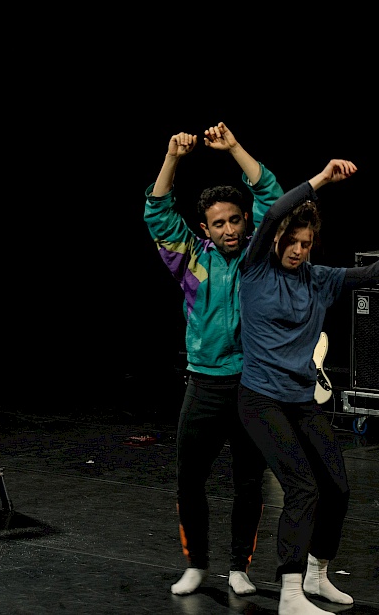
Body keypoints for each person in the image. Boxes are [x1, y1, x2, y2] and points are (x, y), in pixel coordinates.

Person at [237, 157, 379, 614]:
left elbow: (371, 276)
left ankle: (316, 574)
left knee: (337, 486)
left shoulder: (319, 280)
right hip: (259, 400)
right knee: (301, 487)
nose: (297, 250)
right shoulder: (255, 271)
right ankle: (290, 595)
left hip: (301, 400)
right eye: (291, 242)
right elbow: (272, 213)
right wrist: (320, 182)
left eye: (306, 244)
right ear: (276, 241)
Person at [145, 122, 281, 598]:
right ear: (205, 228)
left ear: (247, 222)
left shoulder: (260, 257)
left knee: (248, 483)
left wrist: (235, 147)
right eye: (218, 223)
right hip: (204, 384)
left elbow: (270, 192)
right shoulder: (190, 258)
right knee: (189, 480)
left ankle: (240, 567)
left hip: (250, 386)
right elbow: (157, 213)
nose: (228, 229)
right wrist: (172, 158)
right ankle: (197, 565)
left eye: (235, 220)